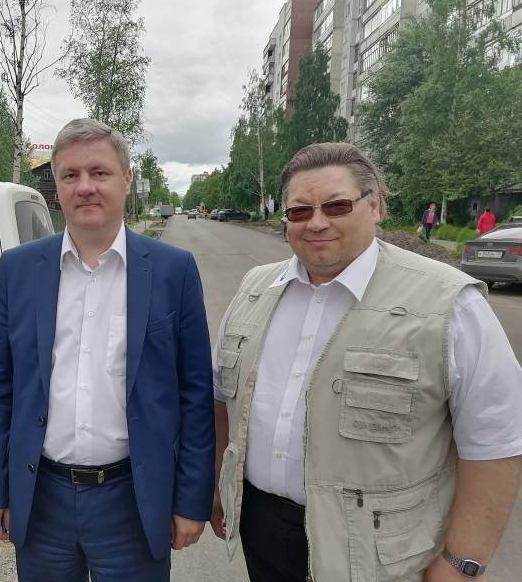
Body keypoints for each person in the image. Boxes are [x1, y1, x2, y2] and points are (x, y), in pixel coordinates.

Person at [211, 142, 522, 582]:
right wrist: (219, 485)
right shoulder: (255, 289)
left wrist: (462, 563)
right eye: (299, 211)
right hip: (261, 530)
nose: (316, 222)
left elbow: (497, 442)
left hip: (379, 556)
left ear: (374, 206)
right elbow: (222, 400)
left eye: (336, 206)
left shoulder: (447, 303)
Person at [0, 118, 215, 582]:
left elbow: (194, 393)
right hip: (42, 500)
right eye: (70, 175)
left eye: (99, 172)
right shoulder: (18, 269)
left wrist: (191, 500)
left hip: (134, 499)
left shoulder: (173, 270)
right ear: (57, 187)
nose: (85, 186)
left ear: (126, 178)